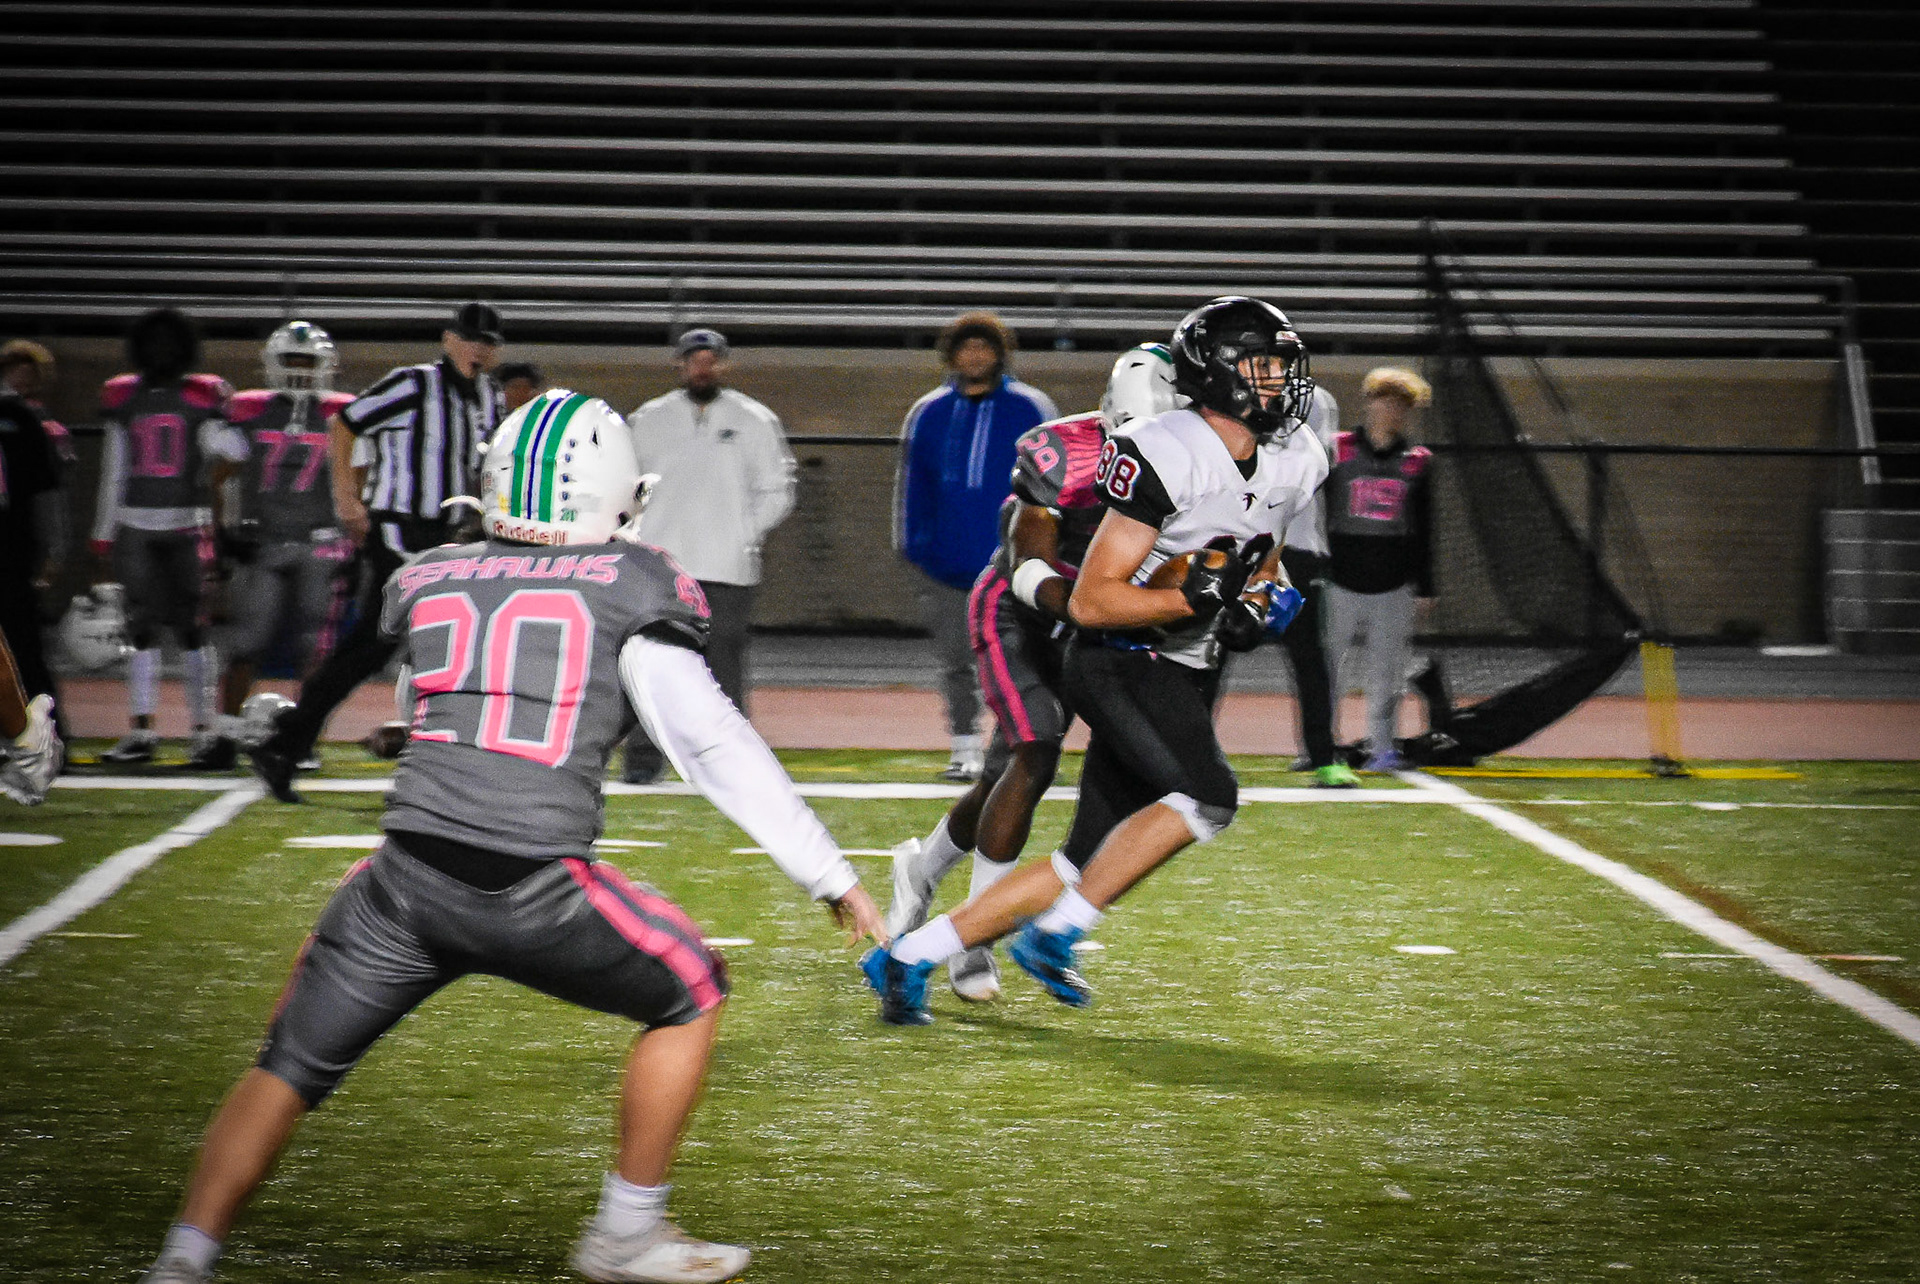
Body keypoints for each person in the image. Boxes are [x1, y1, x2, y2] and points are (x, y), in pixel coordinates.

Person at [137, 390, 887, 1284]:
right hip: (530, 885)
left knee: (286, 1066)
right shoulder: (631, 583)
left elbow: (422, 710)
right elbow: (713, 742)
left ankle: (184, 1257)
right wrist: (828, 872)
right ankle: (626, 1233)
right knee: (692, 986)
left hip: (402, 881)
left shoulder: (432, 576)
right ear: (617, 493)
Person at [864, 297, 1325, 1024]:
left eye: (1281, 365)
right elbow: (1091, 602)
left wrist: (1266, 597)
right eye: (1264, 365)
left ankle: (907, 956)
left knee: (1083, 860)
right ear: (1219, 372)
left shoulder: (1299, 455)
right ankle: (1057, 933)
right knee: (1208, 796)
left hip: (1185, 665)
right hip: (1120, 658)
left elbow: (1264, 552)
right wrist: (1189, 601)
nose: (1280, 381)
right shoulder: (1167, 449)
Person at [884, 342, 1180, 1003]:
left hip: (1091, 621)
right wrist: (1098, 609)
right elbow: (1027, 561)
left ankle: (922, 868)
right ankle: (973, 937)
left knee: (1005, 776)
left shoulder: (1198, 462)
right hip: (1020, 610)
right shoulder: (1063, 451)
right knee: (1037, 751)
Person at [248, 302, 504, 800]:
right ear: (449, 339)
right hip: (400, 536)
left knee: (420, 648)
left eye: (488, 342)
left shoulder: (487, 397)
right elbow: (344, 424)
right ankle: (289, 743)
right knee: (381, 647)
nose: (478, 349)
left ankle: (287, 743)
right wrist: (347, 500)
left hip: (450, 538)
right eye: (471, 338)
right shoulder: (412, 384)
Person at [619, 328, 795, 786]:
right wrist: (638, 540)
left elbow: (777, 489)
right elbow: (623, 486)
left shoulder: (754, 419)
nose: (702, 367)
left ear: (724, 364)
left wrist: (742, 533)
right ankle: (643, 761)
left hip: (727, 569)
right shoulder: (648, 419)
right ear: (679, 364)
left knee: (724, 671)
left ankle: (728, 765)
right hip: (659, 568)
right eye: (694, 359)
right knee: (651, 665)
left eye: (710, 359)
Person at [894, 311, 1058, 782]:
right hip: (945, 564)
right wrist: (916, 547)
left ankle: (1023, 748)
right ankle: (964, 747)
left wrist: (1044, 549)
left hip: (1012, 563)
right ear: (951, 355)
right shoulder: (928, 411)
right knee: (955, 662)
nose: (974, 356)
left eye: (984, 347)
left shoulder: (1031, 408)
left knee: (1022, 660)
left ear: (1000, 354)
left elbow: (1052, 483)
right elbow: (913, 486)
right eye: (966, 347)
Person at [89, 308, 249, 766]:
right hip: (136, 523)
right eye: (154, 341)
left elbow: (236, 451)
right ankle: (142, 730)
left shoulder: (203, 396)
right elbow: (115, 468)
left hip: (186, 524)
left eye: (169, 342)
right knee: (140, 630)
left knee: (193, 630)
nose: (161, 350)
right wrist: (103, 532)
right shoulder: (126, 397)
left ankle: (202, 731)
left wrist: (220, 436)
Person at [200, 322, 356, 769]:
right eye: (291, 360)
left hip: (321, 541)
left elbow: (357, 484)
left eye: (308, 361)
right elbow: (217, 479)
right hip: (264, 540)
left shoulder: (343, 414)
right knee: (246, 643)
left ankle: (302, 739)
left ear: (325, 365)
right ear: (272, 363)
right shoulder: (250, 410)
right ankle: (226, 735)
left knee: (315, 648)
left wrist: (353, 540)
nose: (299, 370)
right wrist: (224, 532)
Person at [1324, 366, 1435, 773]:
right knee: (1327, 669)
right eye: (1385, 402)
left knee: (1387, 673)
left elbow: (1424, 528)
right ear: (1369, 402)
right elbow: (1318, 513)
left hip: (1393, 582)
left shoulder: (1417, 462)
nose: (1391, 411)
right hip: (1338, 578)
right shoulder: (1337, 450)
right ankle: (1320, 747)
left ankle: (1382, 748)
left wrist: (1425, 586)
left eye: (1401, 406)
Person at [1275, 383, 1360, 788]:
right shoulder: (1224, 390)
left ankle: (1323, 756)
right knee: (1210, 655)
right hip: (1237, 541)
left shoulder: (1313, 397)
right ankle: (1188, 758)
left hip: (1298, 549)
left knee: (1310, 658)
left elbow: (1320, 465)